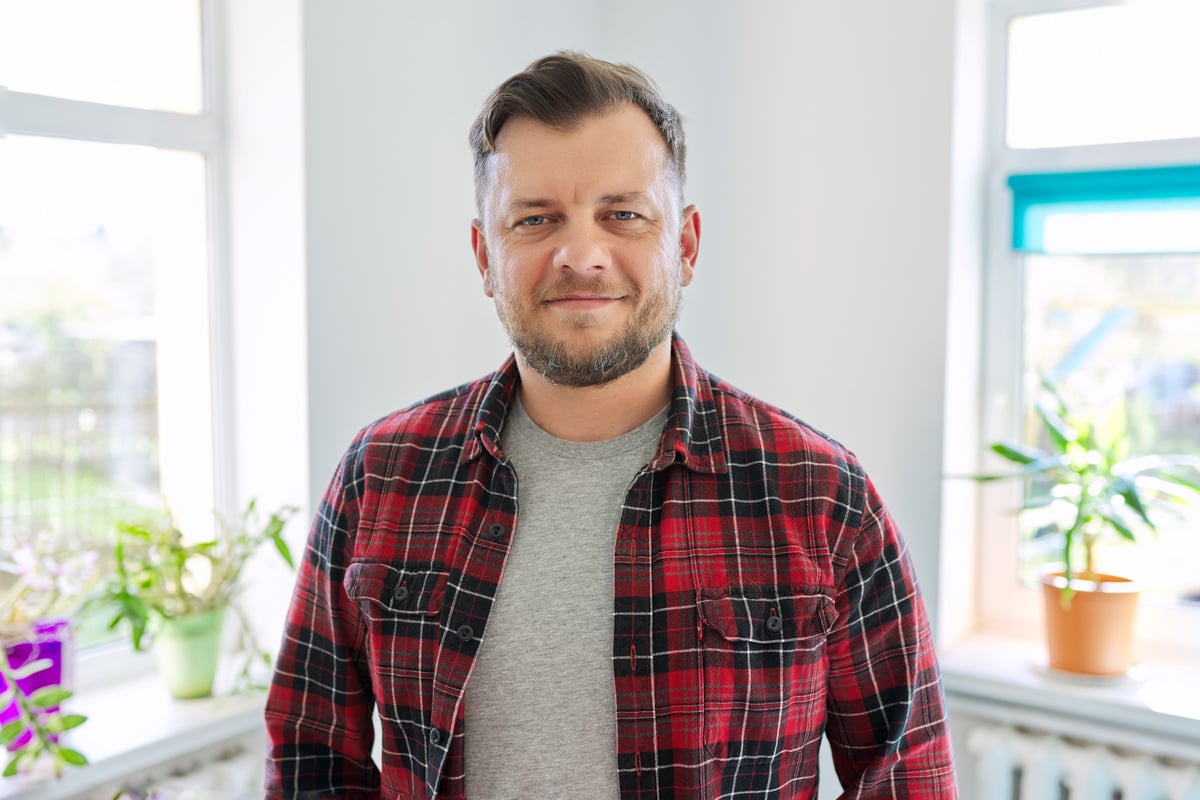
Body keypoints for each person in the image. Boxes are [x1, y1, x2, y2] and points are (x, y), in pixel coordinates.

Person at [265, 51, 957, 799]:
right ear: (484, 257)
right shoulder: (380, 477)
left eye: (622, 214)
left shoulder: (822, 495)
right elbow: (312, 764)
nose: (581, 255)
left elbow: (907, 776)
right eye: (536, 220)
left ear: (685, 246)